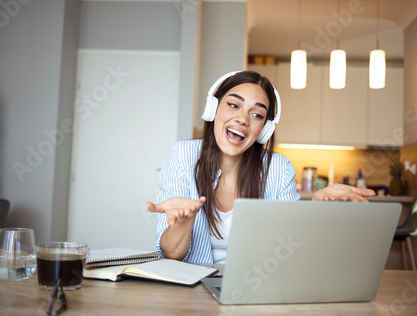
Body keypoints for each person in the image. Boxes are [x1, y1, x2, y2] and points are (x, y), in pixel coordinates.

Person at [146, 71, 375, 264]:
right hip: (191, 289)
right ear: (212, 109)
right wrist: (183, 224)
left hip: (254, 285)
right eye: (234, 105)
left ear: (263, 129)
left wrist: (316, 208)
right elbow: (171, 254)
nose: (243, 119)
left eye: (256, 114)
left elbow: (291, 251)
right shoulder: (183, 156)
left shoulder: (277, 168)